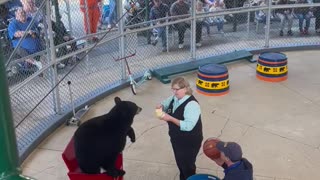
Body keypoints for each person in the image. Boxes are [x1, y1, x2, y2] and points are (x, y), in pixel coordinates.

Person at [156, 77, 203, 180]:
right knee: (180, 162)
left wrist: (170, 118)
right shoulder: (175, 97)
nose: (174, 91)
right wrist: (160, 107)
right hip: (177, 138)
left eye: (177, 89)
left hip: (189, 141)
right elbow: (165, 103)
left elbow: (188, 126)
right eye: (173, 89)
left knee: (188, 166)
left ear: (185, 89)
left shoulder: (192, 105)